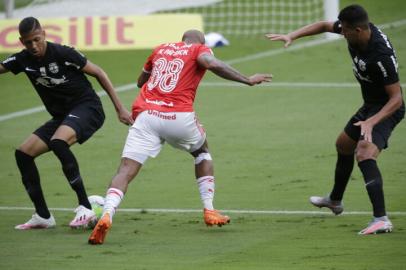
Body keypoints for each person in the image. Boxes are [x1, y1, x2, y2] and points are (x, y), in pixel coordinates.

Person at [88, 29, 272, 244]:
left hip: (146, 115)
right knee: (202, 152)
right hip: (178, 116)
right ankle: (209, 209)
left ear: (181, 40)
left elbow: (140, 82)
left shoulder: (160, 49)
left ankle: (108, 213)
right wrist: (247, 80)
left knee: (126, 170)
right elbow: (213, 64)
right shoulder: (199, 50)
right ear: (201, 42)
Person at [266, 5, 404, 235]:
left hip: (386, 109)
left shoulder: (381, 56)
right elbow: (323, 25)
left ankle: (381, 219)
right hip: (370, 104)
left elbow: (397, 99)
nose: (342, 34)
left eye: (346, 31)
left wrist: (371, 122)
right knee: (343, 145)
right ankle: (335, 201)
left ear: (358, 30)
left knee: (364, 153)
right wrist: (292, 35)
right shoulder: (355, 31)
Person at [0, 17, 134, 230]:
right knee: (23, 154)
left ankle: (85, 207)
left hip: (88, 108)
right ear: (21, 41)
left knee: (58, 142)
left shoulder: (63, 53)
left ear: (44, 34)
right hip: (61, 117)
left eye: (36, 39)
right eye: (28, 42)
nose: (33, 46)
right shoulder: (22, 59)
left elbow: (99, 72)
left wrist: (120, 108)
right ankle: (43, 216)